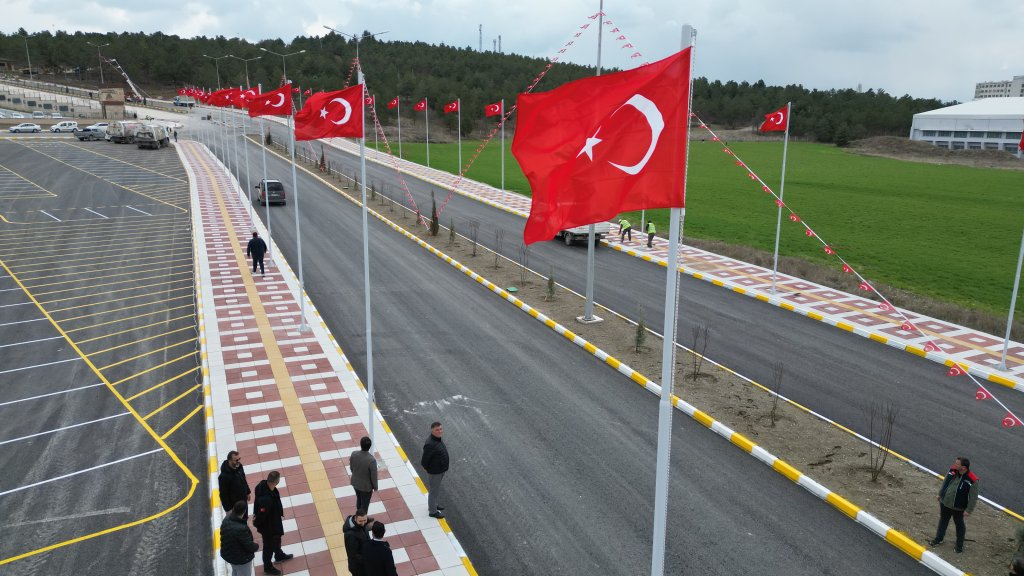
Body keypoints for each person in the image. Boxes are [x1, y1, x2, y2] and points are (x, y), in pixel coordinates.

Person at [928, 457, 979, 553]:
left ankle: (959, 546)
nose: (954, 465)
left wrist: (969, 510)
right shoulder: (952, 471)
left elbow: (973, 497)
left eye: (957, 464)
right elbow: (945, 482)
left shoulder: (972, 480)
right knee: (943, 520)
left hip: (958, 508)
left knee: (959, 525)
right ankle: (938, 539)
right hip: (945, 502)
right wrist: (940, 494)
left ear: (963, 468)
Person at [253, 471, 293, 575]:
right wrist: (257, 522)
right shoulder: (266, 499)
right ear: (276, 481)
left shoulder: (263, 486)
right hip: (269, 527)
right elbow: (261, 515)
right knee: (268, 546)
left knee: (277, 539)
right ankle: (268, 567)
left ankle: (279, 555)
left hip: (274, 521)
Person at [220, 501, 259, 576]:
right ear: (244, 512)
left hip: (229, 555)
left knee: (235, 572)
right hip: (241, 560)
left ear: (234, 509)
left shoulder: (226, 519)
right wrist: (257, 545)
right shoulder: (241, 529)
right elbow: (250, 546)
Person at [421, 421, 449, 519]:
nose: (439, 431)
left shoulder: (437, 439)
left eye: (441, 429)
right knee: (433, 491)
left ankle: (434, 504)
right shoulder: (430, 443)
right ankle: (432, 511)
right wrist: (428, 468)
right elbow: (424, 460)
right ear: (432, 431)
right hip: (435, 471)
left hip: (440, 469)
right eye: (437, 430)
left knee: (435, 489)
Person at [217, 450, 251, 519]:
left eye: (239, 459)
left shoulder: (239, 466)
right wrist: (228, 510)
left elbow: (243, 479)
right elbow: (223, 495)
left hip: (243, 501)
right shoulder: (224, 477)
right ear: (229, 460)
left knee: (244, 518)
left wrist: (247, 492)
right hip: (234, 506)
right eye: (236, 460)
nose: (238, 461)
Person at [349, 436, 378, 514]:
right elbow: (374, 477)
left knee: (359, 498)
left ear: (360, 444)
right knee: (365, 504)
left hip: (355, 482)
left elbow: (351, 468)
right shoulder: (371, 460)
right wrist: (375, 487)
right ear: (370, 446)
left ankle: (358, 515)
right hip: (366, 487)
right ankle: (362, 520)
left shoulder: (354, 454)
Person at [343, 508, 371, 576]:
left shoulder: (361, 525)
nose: (363, 523)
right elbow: (353, 555)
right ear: (355, 518)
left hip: (363, 564)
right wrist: (368, 559)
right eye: (360, 521)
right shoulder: (350, 535)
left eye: (365, 520)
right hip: (358, 568)